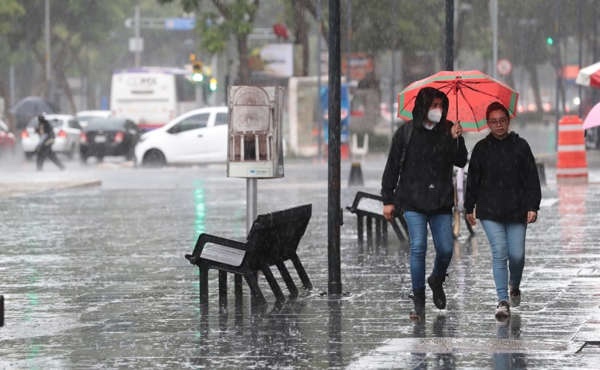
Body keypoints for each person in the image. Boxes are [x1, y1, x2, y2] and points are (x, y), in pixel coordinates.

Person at [381, 87, 468, 321]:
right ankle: (418, 300)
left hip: (440, 201)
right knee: (418, 247)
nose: (437, 110)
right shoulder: (406, 133)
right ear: (423, 107)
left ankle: (436, 279)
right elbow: (392, 168)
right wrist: (387, 199)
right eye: (433, 106)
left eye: (441, 106)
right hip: (413, 200)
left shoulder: (449, 129)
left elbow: (460, 160)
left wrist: (456, 139)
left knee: (446, 249)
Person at [464, 101, 541, 321]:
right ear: (487, 123)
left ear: (508, 121)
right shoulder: (481, 149)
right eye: (494, 122)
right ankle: (502, 300)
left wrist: (532, 206)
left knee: (517, 256)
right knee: (500, 252)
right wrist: (469, 207)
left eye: (502, 121)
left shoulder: (521, 146)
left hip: (517, 210)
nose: (498, 125)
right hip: (489, 211)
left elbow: (531, 179)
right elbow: (473, 182)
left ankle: (514, 285)